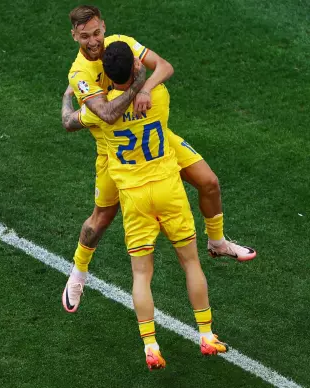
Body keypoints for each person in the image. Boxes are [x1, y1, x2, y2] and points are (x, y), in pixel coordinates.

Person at [60, 5, 255, 313]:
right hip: (115, 155)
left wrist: (144, 90)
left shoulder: (120, 43)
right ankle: (78, 271)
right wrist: (138, 87)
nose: (94, 41)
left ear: (104, 28)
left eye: (97, 33)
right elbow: (108, 114)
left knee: (210, 182)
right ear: (74, 36)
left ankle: (217, 243)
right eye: (85, 36)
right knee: (100, 221)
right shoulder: (79, 74)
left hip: (158, 141)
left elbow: (163, 66)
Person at [82, 41, 228, 369]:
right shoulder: (158, 97)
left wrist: (69, 97)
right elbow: (160, 70)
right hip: (167, 188)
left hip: (134, 198)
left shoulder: (100, 114)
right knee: (191, 263)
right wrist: (142, 83)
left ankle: (150, 344)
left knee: (141, 274)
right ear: (135, 69)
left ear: (106, 75)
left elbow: (71, 119)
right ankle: (206, 335)